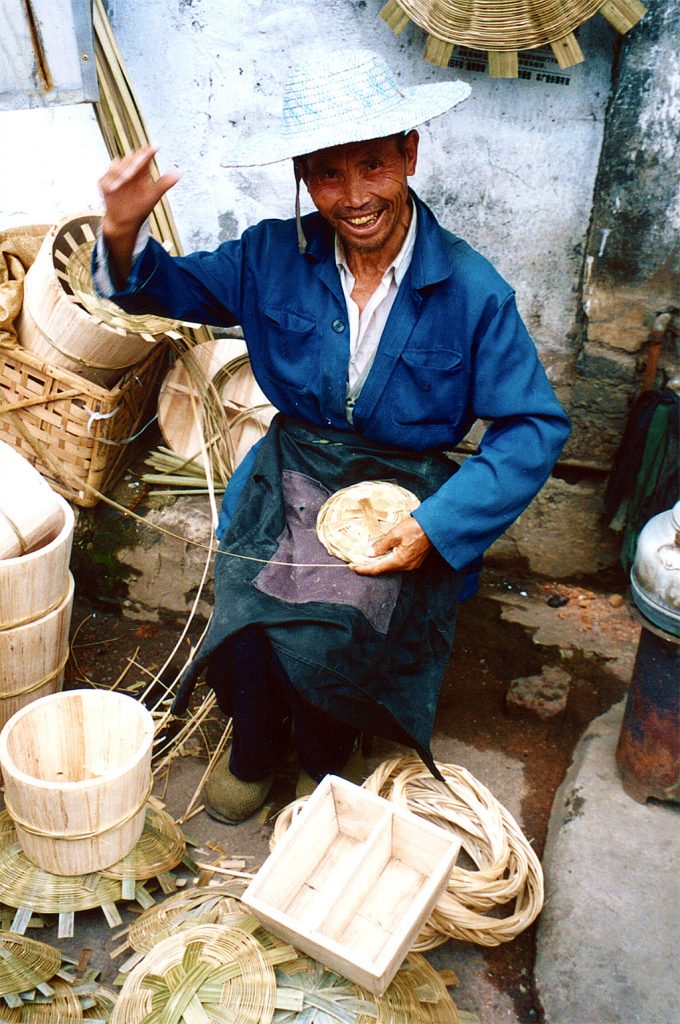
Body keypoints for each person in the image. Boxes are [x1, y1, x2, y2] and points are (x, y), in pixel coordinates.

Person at [94, 47, 571, 822]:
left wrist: (436, 526)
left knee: (341, 617)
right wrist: (121, 232)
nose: (353, 199)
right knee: (248, 598)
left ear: (410, 152)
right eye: (327, 174)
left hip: (403, 486)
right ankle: (254, 749)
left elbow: (534, 427)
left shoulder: (472, 289)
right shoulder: (271, 258)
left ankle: (320, 757)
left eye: (374, 167)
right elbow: (161, 288)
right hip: (296, 463)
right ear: (304, 177)